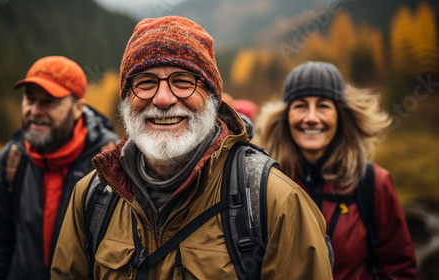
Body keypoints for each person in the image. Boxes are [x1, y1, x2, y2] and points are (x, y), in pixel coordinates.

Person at [51, 16, 333, 279]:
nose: (162, 99)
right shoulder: (92, 195)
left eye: (183, 82)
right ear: (126, 100)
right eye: (146, 83)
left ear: (212, 98)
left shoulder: (274, 202)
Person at [253, 61, 417, 279]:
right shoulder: (266, 183)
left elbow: (398, 270)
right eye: (300, 105)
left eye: (323, 105)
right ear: (285, 116)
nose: (311, 118)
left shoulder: (373, 183)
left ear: (341, 116)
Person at [0, 56, 119, 280]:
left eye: (50, 101)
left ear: (78, 108)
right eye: (30, 99)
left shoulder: (110, 166)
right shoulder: (9, 161)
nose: (35, 110)